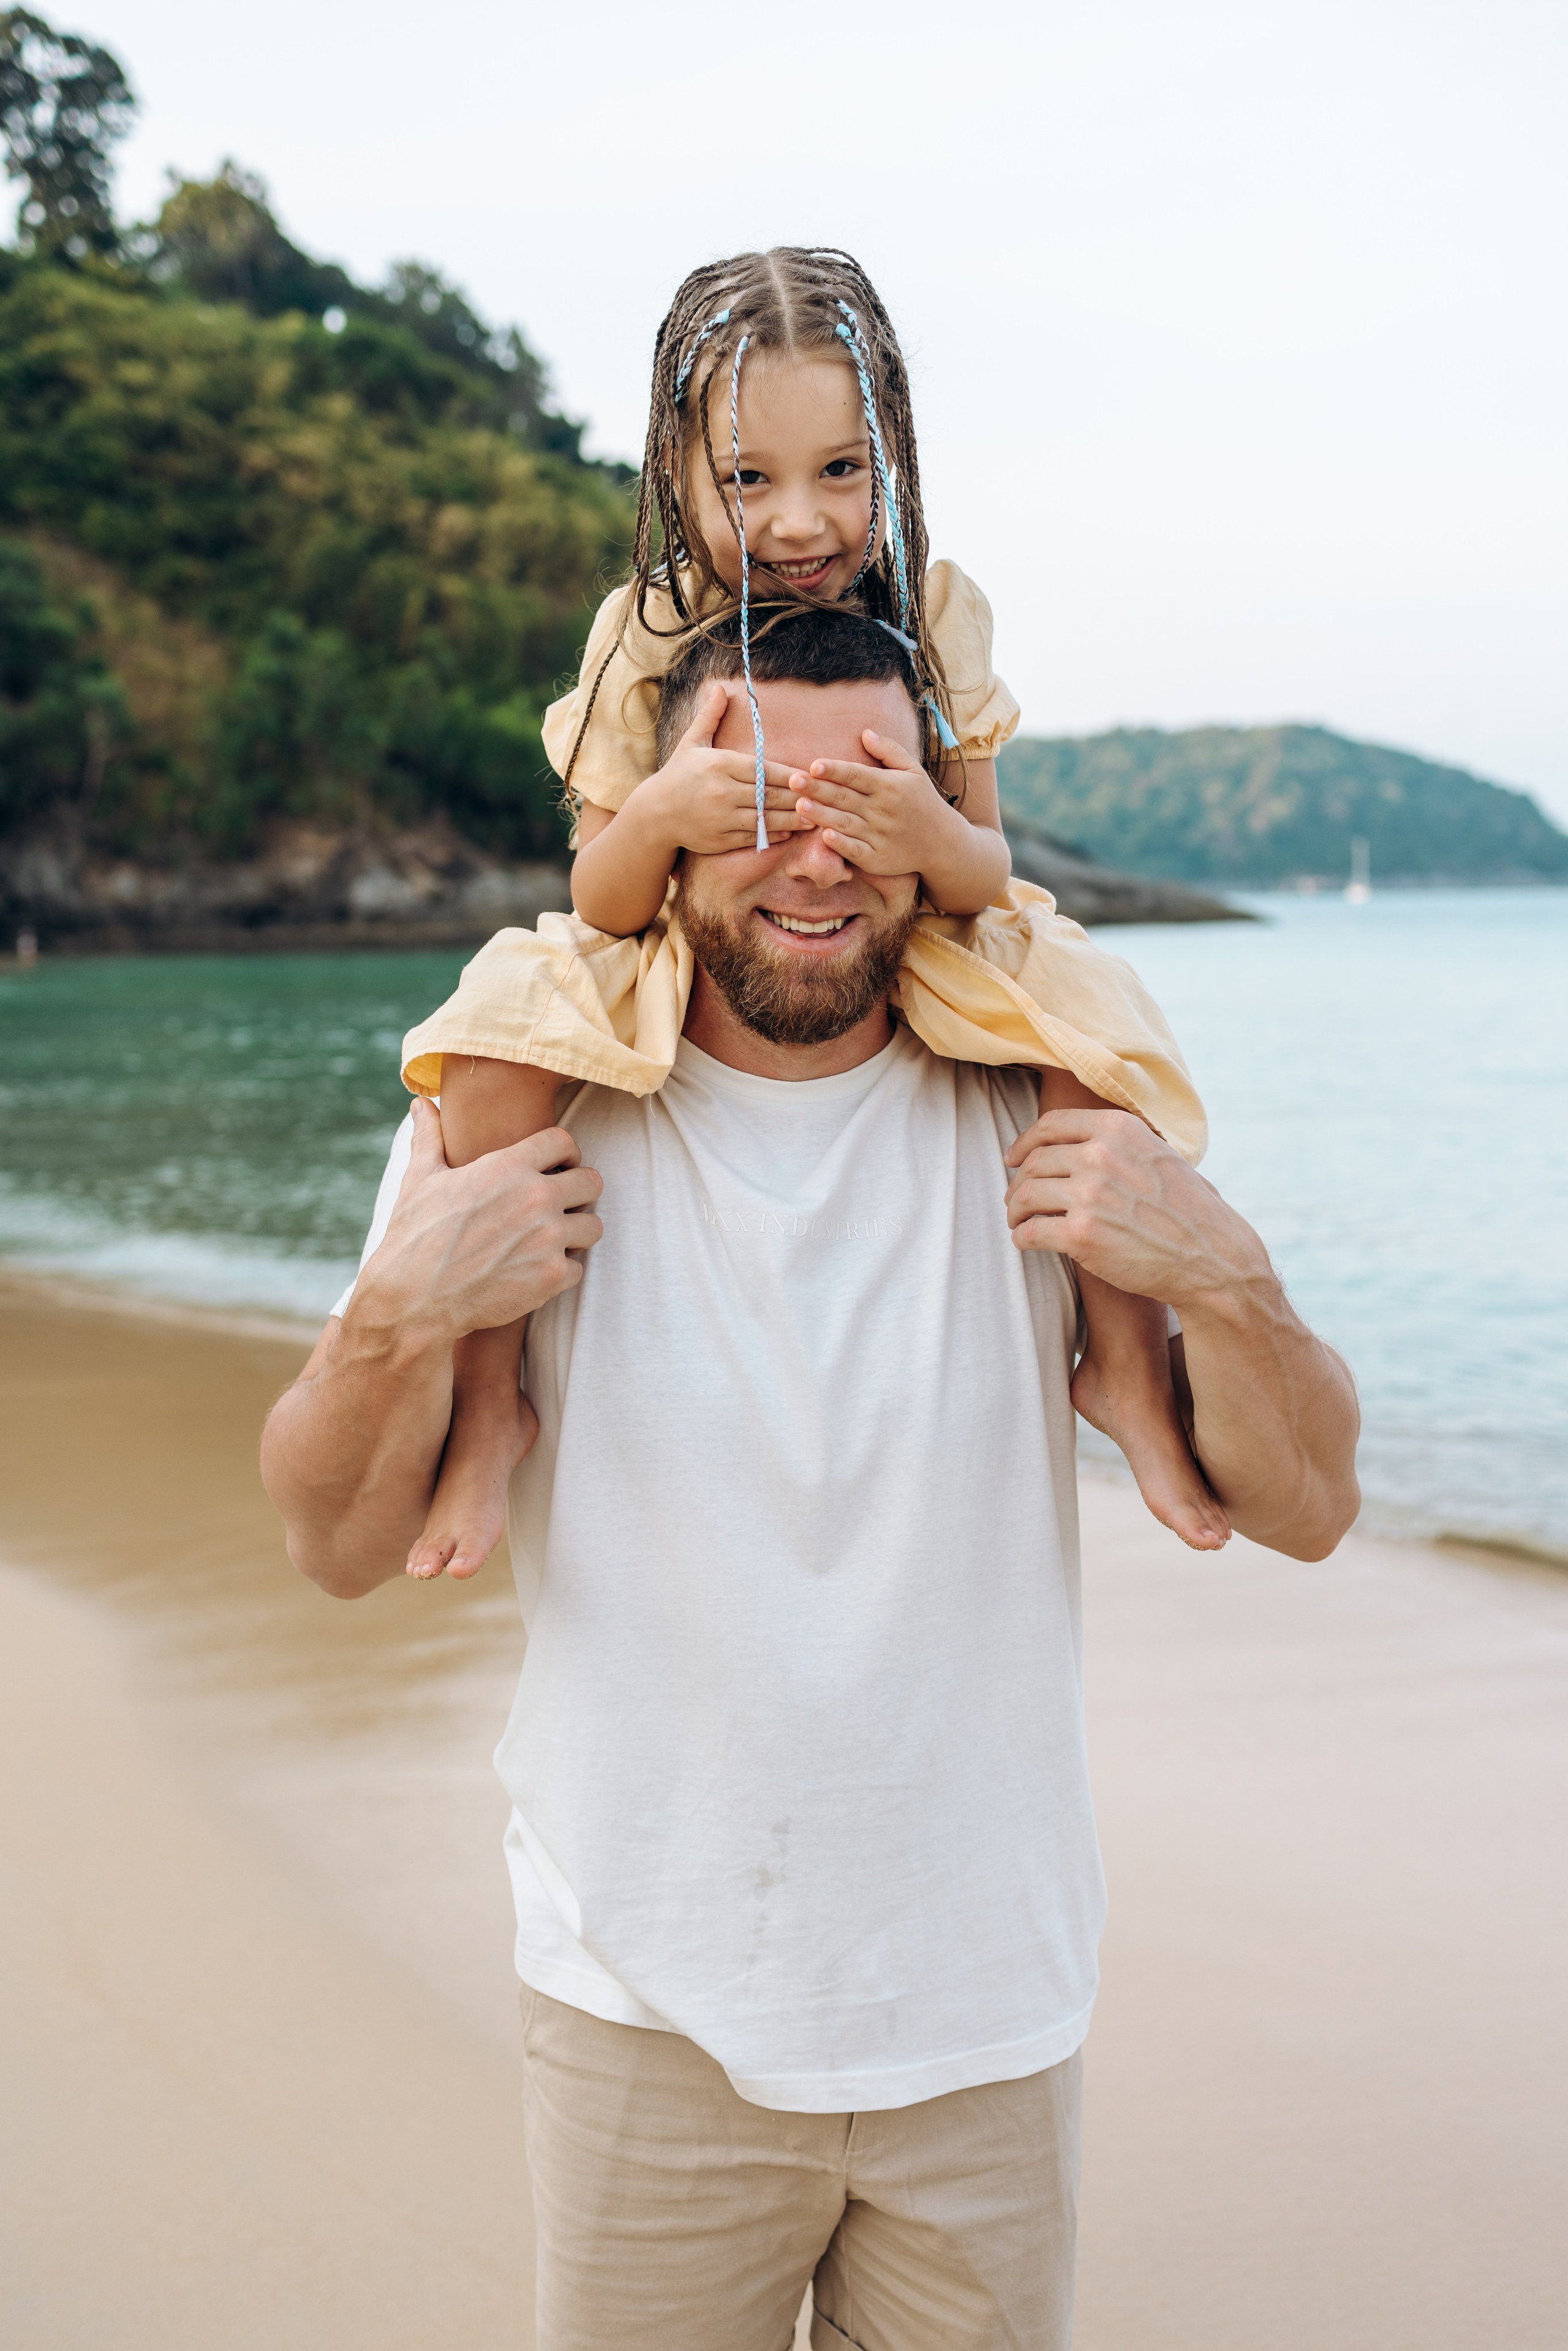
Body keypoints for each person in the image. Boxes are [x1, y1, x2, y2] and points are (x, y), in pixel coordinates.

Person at [261, 615, 1360, 2351]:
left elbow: (1308, 1502)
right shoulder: (534, 1115)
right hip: (643, 2011)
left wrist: (1218, 1269)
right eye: (763, 799)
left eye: (872, 801)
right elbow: (332, 1539)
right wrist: (405, 1307)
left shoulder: (1044, 1101)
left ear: (942, 830)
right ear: (664, 825)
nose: (819, 856)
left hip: (985, 2027)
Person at [396, 245, 1231, 1590]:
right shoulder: (645, 636)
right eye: (747, 478)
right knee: (493, 1050)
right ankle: (489, 1389)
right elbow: (599, 902)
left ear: (885, 458)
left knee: (1088, 1037)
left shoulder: (930, 620)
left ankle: (1123, 1367)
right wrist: (666, 813)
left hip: (916, 929)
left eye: (839, 470)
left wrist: (931, 839)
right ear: (674, 475)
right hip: (685, 942)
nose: (799, 522)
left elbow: (987, 872)